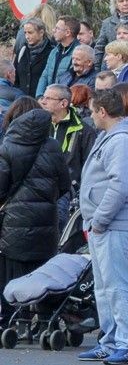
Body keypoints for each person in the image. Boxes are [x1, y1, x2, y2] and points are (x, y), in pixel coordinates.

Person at [75, 88, 128, 365]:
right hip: (102, 222)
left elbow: (119, 186)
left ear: (102, 112)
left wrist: (100, 219)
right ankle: (109, 340)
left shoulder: (123, 141)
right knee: (105, 285)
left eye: (92, 112)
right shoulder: (110, 137)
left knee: (118, 283)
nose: (91, 117)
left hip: (113, 223)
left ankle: (127, 342)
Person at [0, 109, 71, 322]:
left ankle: (13, 320)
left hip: (13, 224)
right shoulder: (53, 146)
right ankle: (44, 319)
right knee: (43, 275)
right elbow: (65, 184)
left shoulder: (7, 148)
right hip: (46, 224)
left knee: (12, 276)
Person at [36, 17, 81, 96]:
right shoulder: (54, 51)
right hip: (49, 97)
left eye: (57, 28)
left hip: (64, 99)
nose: (53, 30)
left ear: (67, 33)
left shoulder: (79, 53)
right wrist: (39, 96)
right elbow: (45, 75)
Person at [14, 18, 51, 98]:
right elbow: (15, 78)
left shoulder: (51, 52)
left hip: (41, 101)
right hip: (21, 101)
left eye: (30, 32)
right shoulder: (22, 51)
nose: (27, 36)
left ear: (41, 33)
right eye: (25, 33)